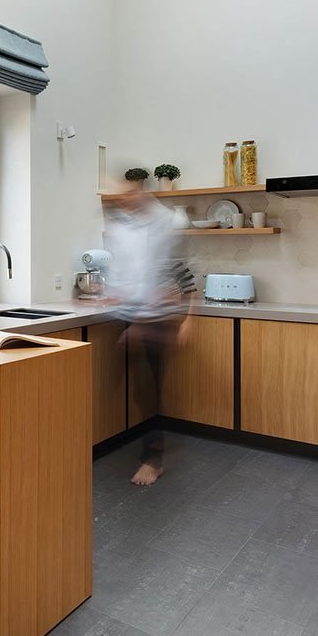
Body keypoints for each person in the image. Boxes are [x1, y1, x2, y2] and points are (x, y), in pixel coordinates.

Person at [100, 176, 193, 486]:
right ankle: (144, 447)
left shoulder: (161, 226)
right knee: (129, 388)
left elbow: (165, 280)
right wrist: (113, 294)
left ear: (142, 193)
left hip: (154, 321)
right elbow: (126, 273)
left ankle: (153, 460)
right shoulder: (123, 228)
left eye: (129, 194)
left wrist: (141, 324)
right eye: (120, 196)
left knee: (147, 390)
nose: (123, 200)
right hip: (132, 316)